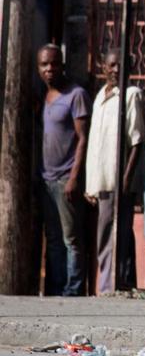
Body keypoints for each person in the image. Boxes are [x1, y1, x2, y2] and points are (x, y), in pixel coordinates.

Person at [84, 49, 144, 294]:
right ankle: (122, 285)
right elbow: (96, 144)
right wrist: (91, 184)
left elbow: (137, 142)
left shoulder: (131, 95)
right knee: (114, 235)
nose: (116, 70)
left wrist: (125, 180)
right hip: (101, 181)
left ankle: (110, 287)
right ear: (104, 67)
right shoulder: (101, 96)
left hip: (117, 182)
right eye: (112, 65)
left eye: (121, 65)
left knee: (112, 235)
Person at [37, 44, 91, 296]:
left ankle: (73, 291)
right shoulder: (45, 96)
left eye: (54, 63)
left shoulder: (76, 95)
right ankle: (56, 288)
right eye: (44, 64)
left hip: (65, 178)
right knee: (53, 238)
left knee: (71, 239)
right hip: (46, 178)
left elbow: (83, 138)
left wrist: (74, 177)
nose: (49, 69)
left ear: (62, 65)